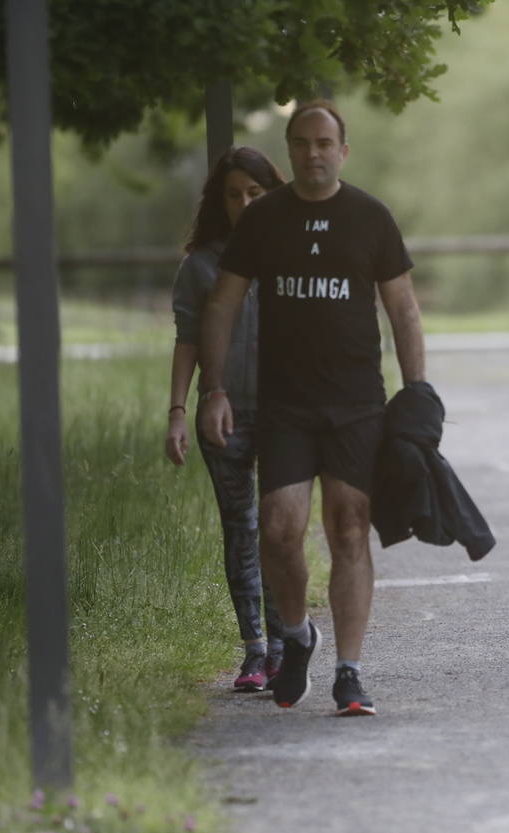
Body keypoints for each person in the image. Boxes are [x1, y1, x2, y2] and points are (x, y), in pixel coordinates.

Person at [198, 100, 427, 717]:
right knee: (278, 530)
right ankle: (298, 634)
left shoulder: (370, 217)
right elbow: (221, 304)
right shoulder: (264, 218)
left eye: (324, 143)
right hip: (286, 405)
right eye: (302, 143)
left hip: (356, 403)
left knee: (349, 526)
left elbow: (403, 308)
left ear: (343, 151)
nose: (313, 153)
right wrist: (213, 389)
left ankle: (349, 672)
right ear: (290, 150)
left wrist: (417, 390)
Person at [165, 146, 286, 692]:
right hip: (224, 411)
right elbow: (187, 339)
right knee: (240, 525)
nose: (245, 203)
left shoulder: (293, 251)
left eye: (255, 193)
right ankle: (254, 648)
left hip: (286, 412)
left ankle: (285, 643)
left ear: (272, 194)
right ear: (220, 201)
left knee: (280, 527)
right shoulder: (200, 265)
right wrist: (176, 412)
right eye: (234, 194)